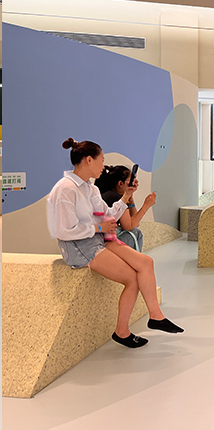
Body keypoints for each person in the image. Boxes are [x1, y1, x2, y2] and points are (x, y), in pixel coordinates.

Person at [47, 138, 183, 349]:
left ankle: (156, 316)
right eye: (101, 160)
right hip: (80, 247)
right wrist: (98, 228)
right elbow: (63, 230)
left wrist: (127, 195)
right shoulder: (65, 189)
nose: (103, 166)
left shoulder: (90, 189)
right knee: (132, 279)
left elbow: (108, 214)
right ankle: (122, 332)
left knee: (146, 263)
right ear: (89, 160)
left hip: (98, 238)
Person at [95, 165, 155, 252]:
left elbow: (135, 223)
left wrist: (130, 199)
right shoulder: (116, 198)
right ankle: (136, 260)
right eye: (130, 182)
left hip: (100, 241)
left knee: (134, 230)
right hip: (104, 244)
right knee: (136, 233)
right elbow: (129, 226)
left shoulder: (106, 194)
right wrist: (146, 206)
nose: (133, 184)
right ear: (120, 184)